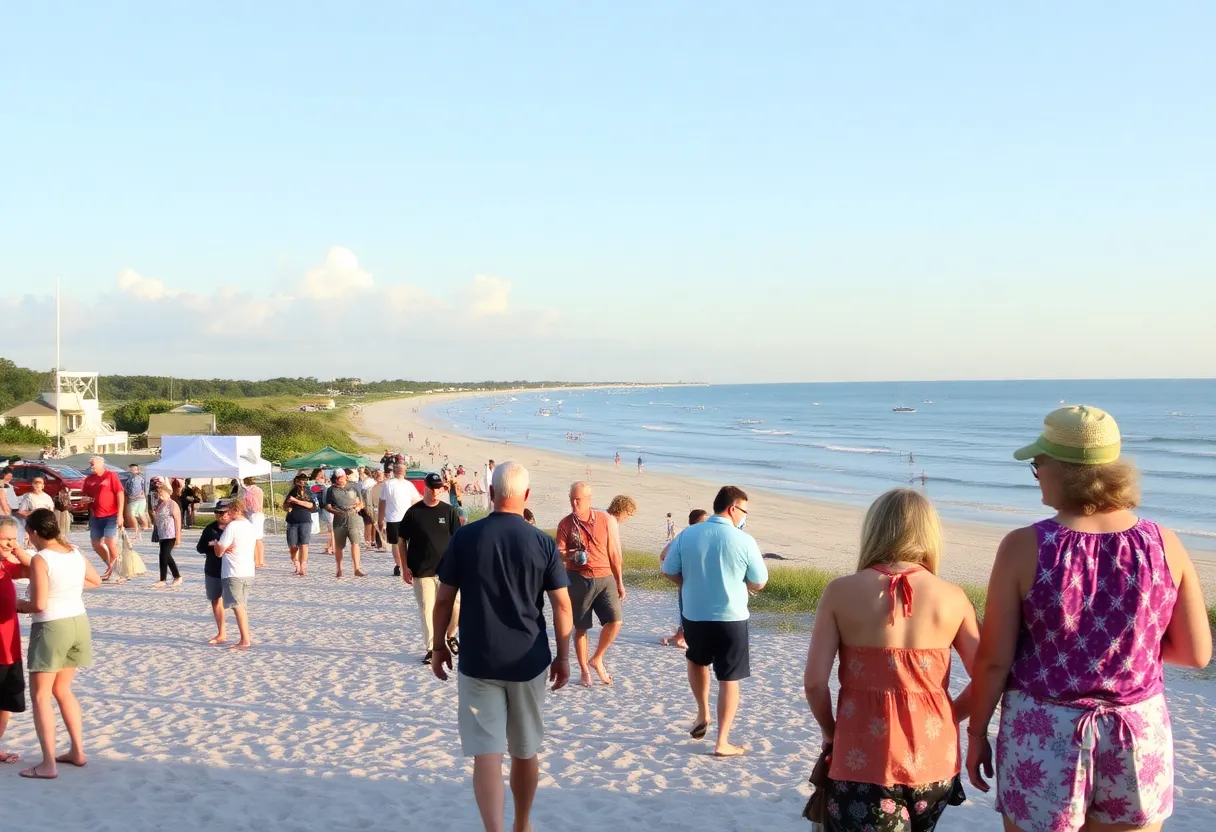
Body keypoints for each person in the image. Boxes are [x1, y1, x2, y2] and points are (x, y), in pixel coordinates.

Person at [967, 406, 1212, 832]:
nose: (1037, 472)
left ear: (1064, 470)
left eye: (1038, 463)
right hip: (1136, 733)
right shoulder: (1165, 543)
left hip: (1045, 732)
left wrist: (975, 735)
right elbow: (1196, 654)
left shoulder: (1024, 546)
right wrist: (1129, 645)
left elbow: (993, 660)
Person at [804, 489, 977, 829]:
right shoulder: (953, 597)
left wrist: (830, 732)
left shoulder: (840, 591)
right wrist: (950, 716)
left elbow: (814, 682)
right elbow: (989, 676)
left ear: (875, 530)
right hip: (935, 760)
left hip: (863, 759)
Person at [430, 462, 573, 832]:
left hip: (478, 659)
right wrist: (564, 656)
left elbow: (444, 600)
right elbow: (562, 606)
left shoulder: (465, 537)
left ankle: (494, 829)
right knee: (525, 750)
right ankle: (522, 824)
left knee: (487, 754)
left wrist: (439, 645)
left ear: (490, 493)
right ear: (526, 497)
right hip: (529, 659)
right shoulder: (541, 542)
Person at [661, 486, 767, 757]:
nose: (745, 517)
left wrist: (688, 584)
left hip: (695, 613)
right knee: (729, 678)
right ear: (733, 508)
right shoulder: (744, 540)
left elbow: (668, 570)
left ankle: (702, 712)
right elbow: (759, 580)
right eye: (744, 511)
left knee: (697, 661)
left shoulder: (688, 534)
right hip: (731, 616)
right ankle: (722, 741)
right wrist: (744, 583)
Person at [15, 508, 102, 779]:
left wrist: (13, 604)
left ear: (35, 533)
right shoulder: (73, 550)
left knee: (41, 696)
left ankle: (47, 764)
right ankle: (77, 751)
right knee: (63, 690)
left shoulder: (42, 558)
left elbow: (38, 604)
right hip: (78, 622)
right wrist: (67, 589)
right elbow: (96, 580)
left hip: (52, 626)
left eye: (27, 533)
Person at [556, 482, 626, 687]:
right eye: (571, 499)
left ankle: (597, 658)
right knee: (581, 627)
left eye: (577, 499)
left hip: (605, 577)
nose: (573, 503)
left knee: (616, 620)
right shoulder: (566, 524)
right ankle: (585, 671)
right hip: (578, 578)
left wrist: (620, 581)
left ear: (589, 500)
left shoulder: (604, 519)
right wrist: (570, 555)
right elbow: (558, 553)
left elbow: (613, 552)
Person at [401, 473, 464, 664]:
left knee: (456, 606)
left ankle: (450, 635)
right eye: (432, 488)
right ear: (425, 488)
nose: (436, 491)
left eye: (439, 488)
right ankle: (432, 648)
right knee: (427, 609)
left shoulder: (450, 511)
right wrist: (404, 567)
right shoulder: (413, 512)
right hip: (421, 570)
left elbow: (459, 539)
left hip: (447, 570)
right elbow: (401, 539)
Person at [0, 517, 27, 764]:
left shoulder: (7, 565)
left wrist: (16, 549)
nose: (9, 544)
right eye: (5, 539)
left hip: (9, 649)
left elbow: (31, 568)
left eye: (13, 538)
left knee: (5, 702)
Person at [660, 509, 708, 648]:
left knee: (686, 607)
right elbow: (664, 555)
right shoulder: (690, 536)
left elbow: (664, 555)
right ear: (698, 522)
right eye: (706, 521)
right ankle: (682, 637)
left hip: (688, 579)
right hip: (690, 579)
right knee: (689, 609)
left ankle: (680, 635)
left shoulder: (688, 536)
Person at [212, 498, 256, 649]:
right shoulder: (250, 526)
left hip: (233, 570)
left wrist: (215, 544)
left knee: (237, 606)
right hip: (248, 570)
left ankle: (245, 639)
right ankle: (245, 638)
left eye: (229, 512)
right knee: (241, 605)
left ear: (236, 511)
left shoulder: (232, 526)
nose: (227, 515)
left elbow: (219, 552)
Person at [81, 455, 124, 581]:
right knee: (96, 544)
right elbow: (85, 495)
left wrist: (120, 514)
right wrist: (86, 500)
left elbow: (120, 493)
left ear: (101, 464)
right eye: (90, 464)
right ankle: (110, 565)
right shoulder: (89, 479)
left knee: (110, 541)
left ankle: (118, 571)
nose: (91, 466)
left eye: (93, 464)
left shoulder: (111, 475)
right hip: (96, 514)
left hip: (111, 514)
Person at [197, 498, 231, 644]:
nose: (221, 515)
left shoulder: (236, 527)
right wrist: (212, 546)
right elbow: (200, 548)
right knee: (216, 600)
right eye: (218, 512)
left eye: (224, 512)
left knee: (236, 602)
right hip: (213, 568)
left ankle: (245, 634)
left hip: (232, 569)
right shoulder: (210, 529)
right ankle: (221, 632)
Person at [380, 462, 422, 577]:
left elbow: (382, 502)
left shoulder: (387, 484)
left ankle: (399, 565)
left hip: (393, 518)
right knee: (409, 542)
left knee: (396, 543)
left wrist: (380, 518)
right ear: (405, 472)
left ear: (394, 471)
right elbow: (416, 501)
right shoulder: (409, 485)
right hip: (408, 517)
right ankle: (408, 565)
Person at [326, 469, 366, 578]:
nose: (342, 480)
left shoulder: (353, 487)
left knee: (355, 542)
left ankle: (357, 568)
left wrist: (358, 507)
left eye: (343, 477)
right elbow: (328, 506)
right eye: (339, 478)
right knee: (339, 546)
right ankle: (339, 569)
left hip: (352, 516)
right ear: (335, 479)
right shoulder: (331, 490)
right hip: (339, 519)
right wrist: (336, 511)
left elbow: (361, 503)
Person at [150, 481, 183, 587]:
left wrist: (178, 536)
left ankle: (166, 579)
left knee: (164, 555)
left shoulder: (172, 504)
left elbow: (177, 520)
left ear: (168, 493)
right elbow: (158, 519)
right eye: (159, 494)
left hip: (171, 534)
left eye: (162, 493)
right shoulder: (160, 505)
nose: (161, 495)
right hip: (162, 533)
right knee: (164, 556)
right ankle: (173, 577)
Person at [284, 474, 315, 576]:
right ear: (296, 480)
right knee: (292, 546)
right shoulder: (292, 491)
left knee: (304, 544)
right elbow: (285, 506)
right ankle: (296, 563)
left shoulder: (309, 491)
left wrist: (296, 501)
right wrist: (288, 505)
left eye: (305, 480)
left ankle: (302, 567)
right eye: (301, 480)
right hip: (292, 521)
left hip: (305, 520)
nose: (303, 482)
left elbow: (311, 505)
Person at [16, 476, 55, 543]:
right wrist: (33, 514)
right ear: (32, 485)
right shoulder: (28, 497)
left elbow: (51, 512)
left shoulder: (47, 498)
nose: (37, 485)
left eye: (39, 483)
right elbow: (21, 511)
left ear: (43, 486)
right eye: (35, 483)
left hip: (43, 525)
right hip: (32, 525)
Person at [241, 477, 266, 569]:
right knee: (259, 539)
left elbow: (248, 503)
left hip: (253, 514)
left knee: (254, 539)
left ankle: (256, 560)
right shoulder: (259, 489)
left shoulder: (248, 491)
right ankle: (261, 560)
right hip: (260, 514)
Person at [311, 468, 334, 555]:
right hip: (323, 508)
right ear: (316, 476)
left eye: (323, 475)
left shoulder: (323, 485)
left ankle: (330, 547)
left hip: (327, 508)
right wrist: (323, 485)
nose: (323, 476)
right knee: (329, 529)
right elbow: (314, 491)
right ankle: (329, 547)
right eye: (321, 475)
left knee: (331, 529)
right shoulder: (313, 485)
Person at [124, 463, 151, 534]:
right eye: (131, 469)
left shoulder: (135, 478)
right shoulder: (139, 478)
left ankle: (137, 527)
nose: (133, 470)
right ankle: (145, 526)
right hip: (140, 498)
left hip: (136, 499)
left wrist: (133, 496)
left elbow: (134, 489)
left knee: (132, 514)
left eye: (134, 469)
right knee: (140, 513)